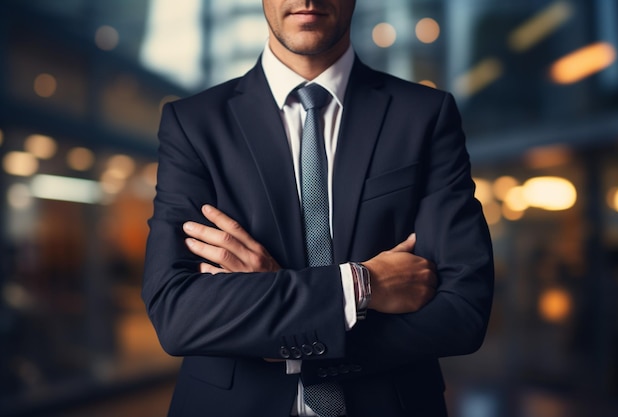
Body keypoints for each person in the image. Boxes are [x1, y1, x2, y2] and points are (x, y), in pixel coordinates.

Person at [142, 0, 494, 416]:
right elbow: (178, 312)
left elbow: (463, 310)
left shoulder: (424, 116)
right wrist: (360, 286)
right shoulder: (193, 124)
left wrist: (279, 323)